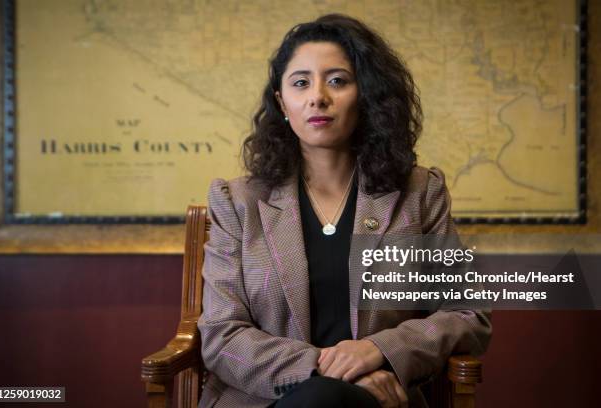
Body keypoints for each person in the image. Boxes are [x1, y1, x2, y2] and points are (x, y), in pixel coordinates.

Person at [197, 13, 491, 408]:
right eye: (301, 83)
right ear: (283, 102)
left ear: (366, 95)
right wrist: (327, 367)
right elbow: (221, 334)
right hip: (265, 400)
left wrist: (377, 350)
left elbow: (467, 312)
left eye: (337, 80)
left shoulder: (419, 193)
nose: (318, 96)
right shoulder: (238, 202)